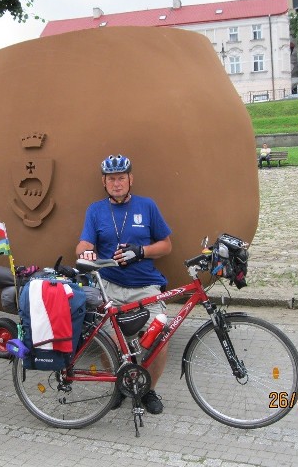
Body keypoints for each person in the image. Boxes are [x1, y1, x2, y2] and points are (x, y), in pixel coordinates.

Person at [75, 154, 172, 415]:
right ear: (104, 182)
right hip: (111, 286)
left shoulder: (147, 206)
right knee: (109, 341)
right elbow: (84, 243)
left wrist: (141, 251)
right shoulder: (95, 210)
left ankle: (148, 390)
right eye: (111, 179)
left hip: (146, 286)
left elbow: (166, 245)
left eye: (121, 178)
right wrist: (85, 252)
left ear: (130, 179)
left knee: (160, 337)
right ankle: (118, 386)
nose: (116, 184)